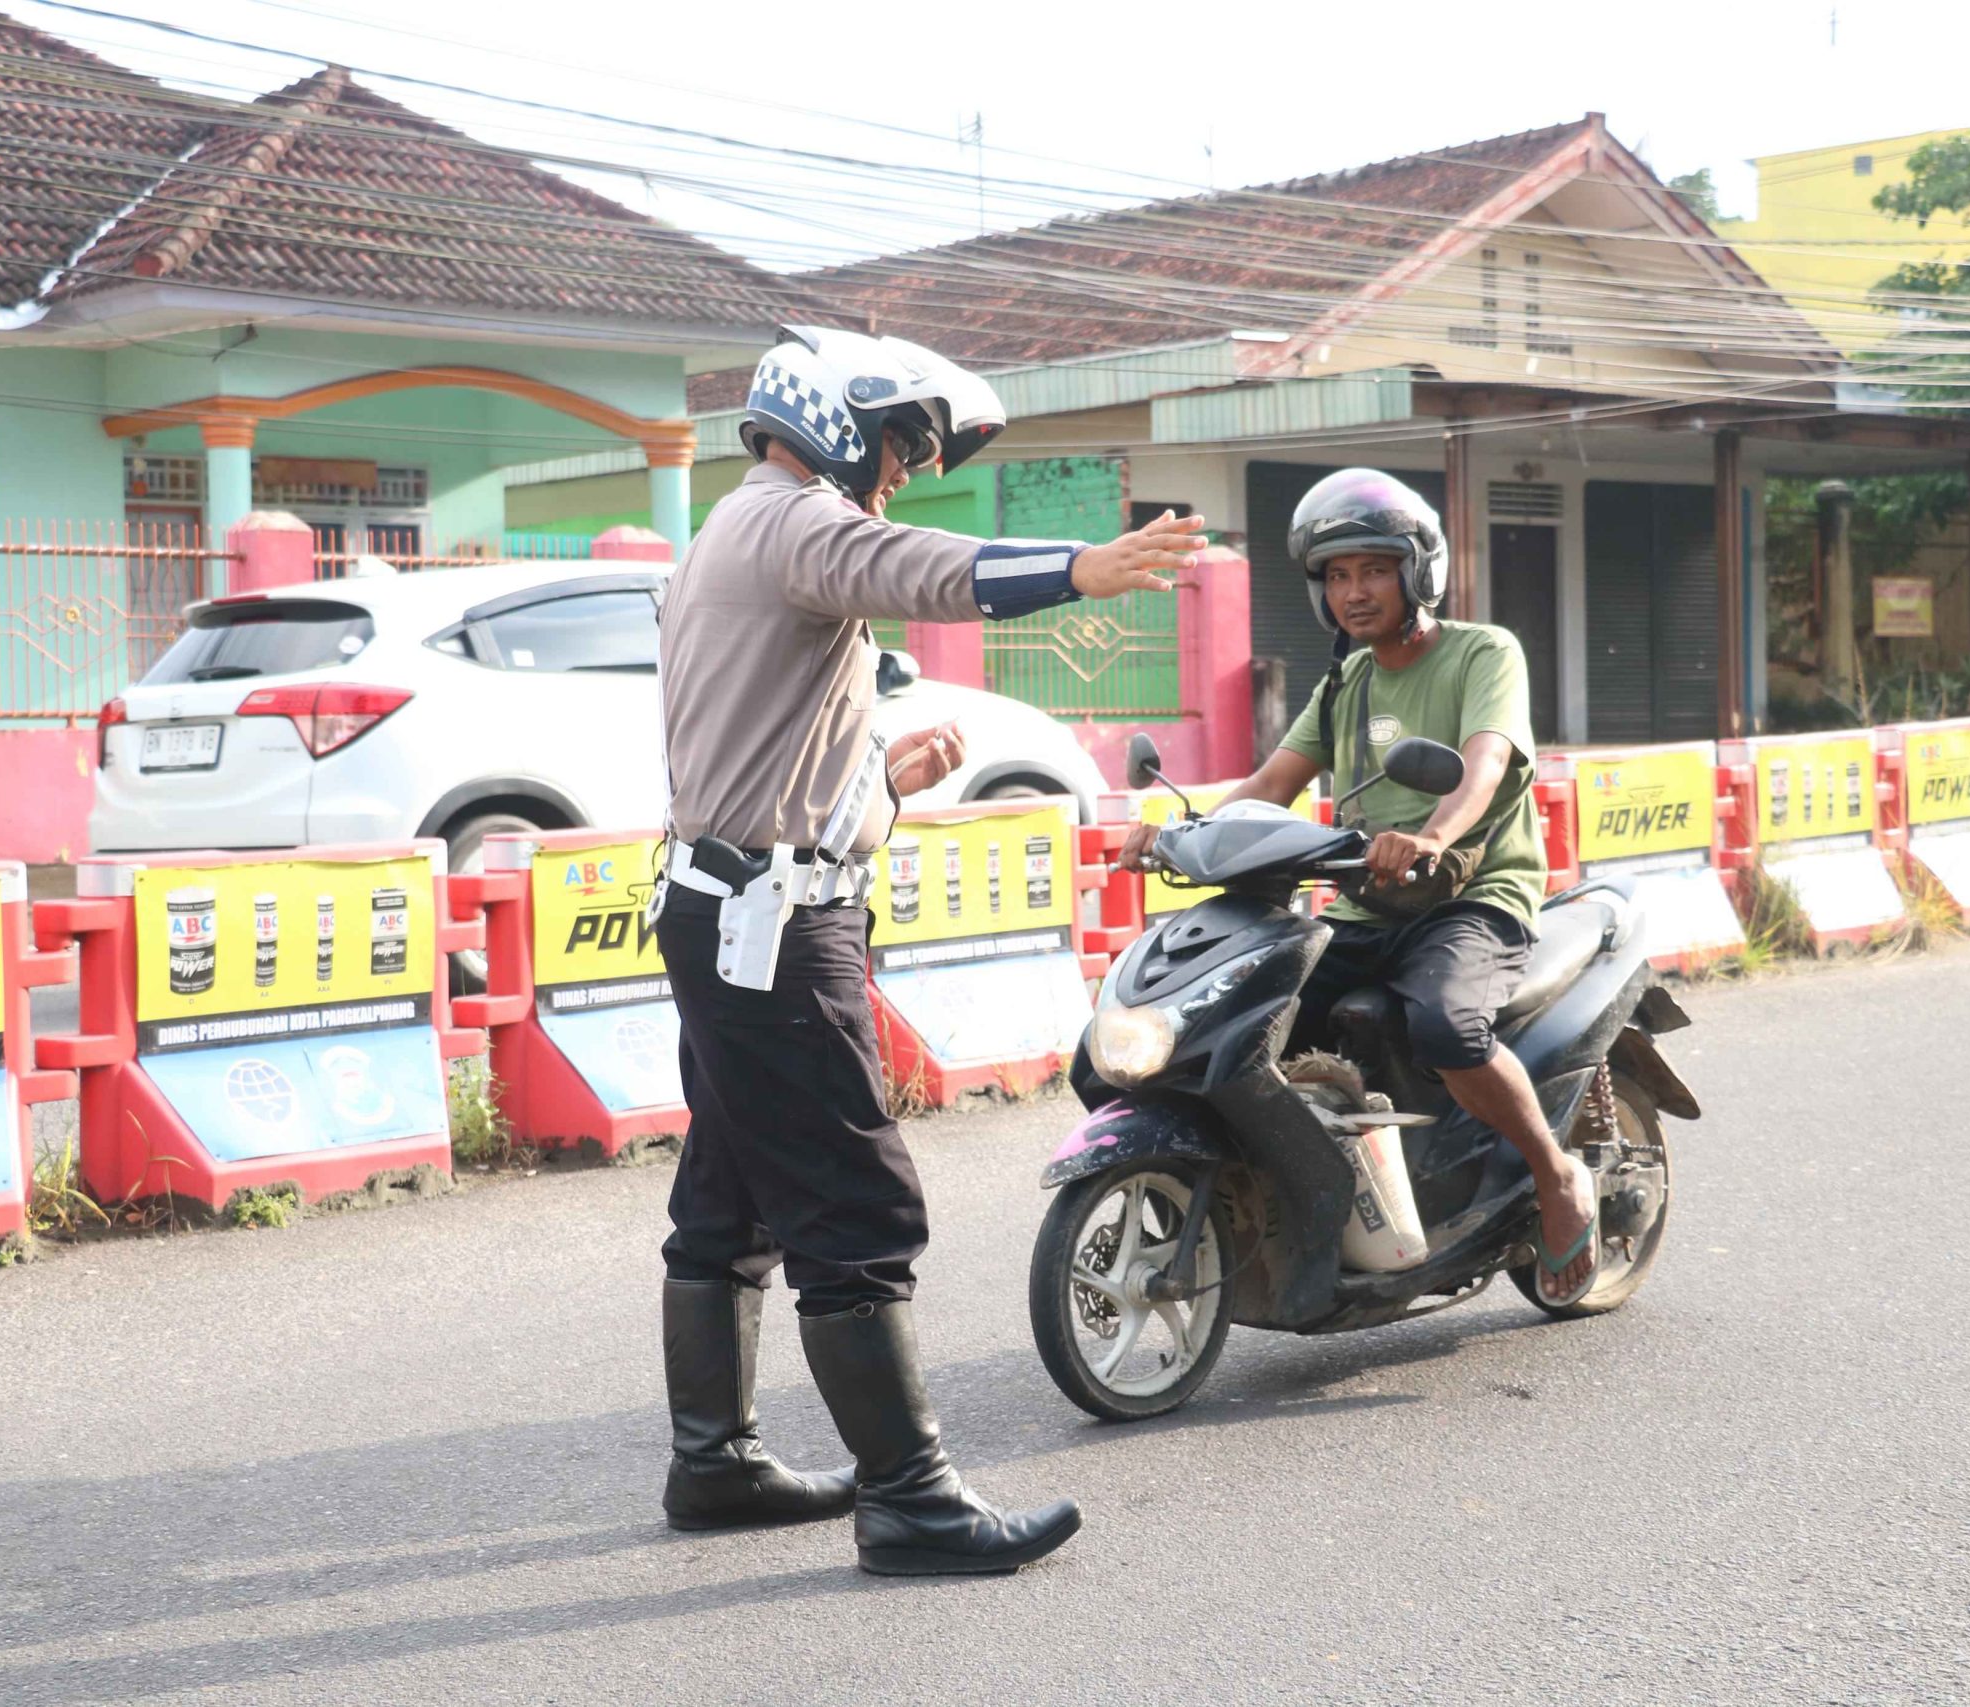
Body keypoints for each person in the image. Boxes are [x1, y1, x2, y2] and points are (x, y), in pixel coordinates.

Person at [654, 324, 1207, 1575]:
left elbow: (753, 759)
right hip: (775, 931)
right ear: (836, 420)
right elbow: (918, 566)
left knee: (732, 1195)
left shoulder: (731, 534)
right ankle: (909, 1500)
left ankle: (716, 1462)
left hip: (731, 906)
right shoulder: (793, 521)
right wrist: (1082, 564)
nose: (902, 471)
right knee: (855, 1201)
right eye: (900, 442)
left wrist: (879, 779)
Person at [1116, 468, 1601, 1308]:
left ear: (1416, 571)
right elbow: (1271, 781)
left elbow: (1484, 763)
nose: (1354, 592)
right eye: (1336, 575)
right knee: (1240, 1014)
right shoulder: (1346, 682)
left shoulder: (1485, 652)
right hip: (1364, 903)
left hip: (1471, 898)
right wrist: (1178, 836)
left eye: (1372, 569)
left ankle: (1557, 1176)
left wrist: (1432, 835)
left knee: (1447, 1024)